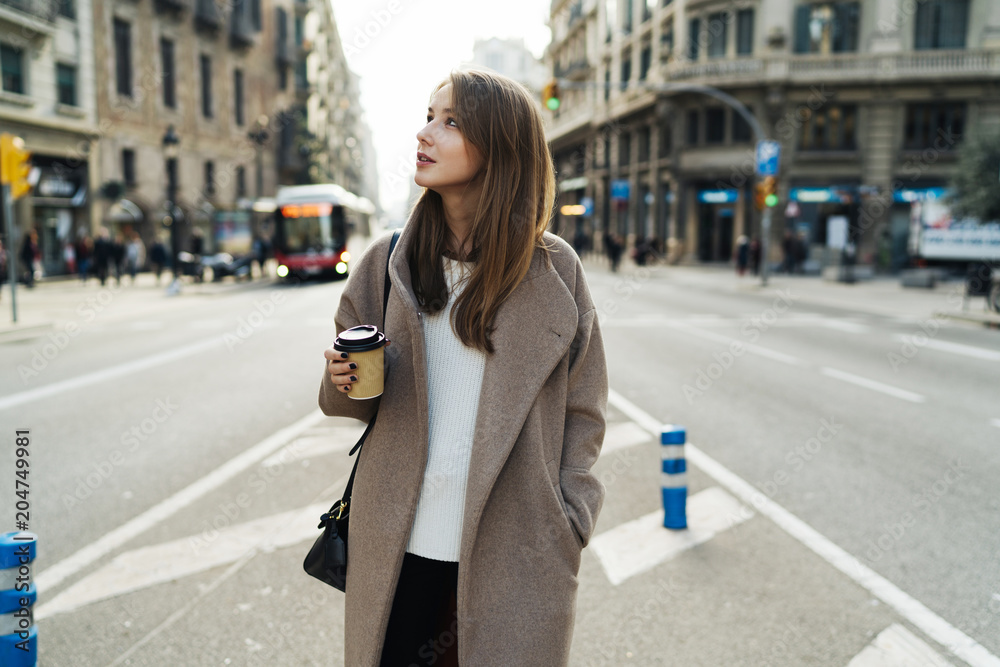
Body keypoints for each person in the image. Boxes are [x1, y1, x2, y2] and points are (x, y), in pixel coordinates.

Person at [318, 68, 608, 666]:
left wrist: (570, 519)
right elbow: (348, 401)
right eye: (428, 116)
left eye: (450, 122)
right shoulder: (388, 262)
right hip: (396, 547)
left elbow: (584, 408)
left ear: (500, 147)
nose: (425, 133)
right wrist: (342, 379)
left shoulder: (555, 272)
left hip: (515, 552)